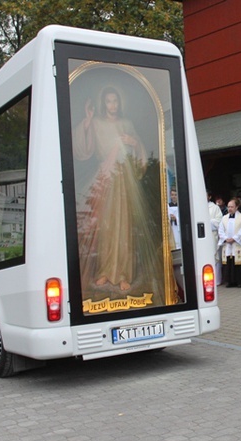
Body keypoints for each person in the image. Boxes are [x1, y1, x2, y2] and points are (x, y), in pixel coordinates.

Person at [73, 86, 149, 292]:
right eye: (108, 101)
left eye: (115, 101)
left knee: (123, 225)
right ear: (103, 103)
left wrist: (133, 142)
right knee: (105, 225)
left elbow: (139, 150)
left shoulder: (127, 124)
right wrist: (87, 121)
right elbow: (84, 150)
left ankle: (124, 273)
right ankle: (105, 271)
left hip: (123, 179)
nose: (112, 105)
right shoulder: (96, 123)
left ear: (120, 103)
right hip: (105, 178)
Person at [218, 198, 241, 288]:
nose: (229, 209)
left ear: (237, 207)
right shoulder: (224, 218)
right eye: (228, 207)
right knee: (229, 262)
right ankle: (230, 281)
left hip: (237, 243)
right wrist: (225, 238)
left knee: (238, 262)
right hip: (228, 243)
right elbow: (220, 230)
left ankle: (240, 281)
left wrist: (234, 238)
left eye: (232, 207)